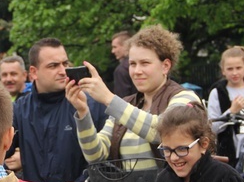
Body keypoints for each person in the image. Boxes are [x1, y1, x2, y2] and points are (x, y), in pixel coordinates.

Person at [67, 25, 200, 171]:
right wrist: (83, 113)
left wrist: (108, 98)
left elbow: (163, 132)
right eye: (132, 64)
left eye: (145, 63)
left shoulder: (185, 97)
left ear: (165, 66)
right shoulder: (125, 104)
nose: (137, 71)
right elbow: (95, 155)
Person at [8, 37, 107, 182]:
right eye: (53, 66)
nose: (63, 71)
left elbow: (106, 157)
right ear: (33, 72)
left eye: (65, 63)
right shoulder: (19, 111)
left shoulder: (90, 104)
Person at [111, 30, 137, 97]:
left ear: (125, 46)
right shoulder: (144, 65)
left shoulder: (121, 70)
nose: (112, 51)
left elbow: (122, 99)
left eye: (115, 47)